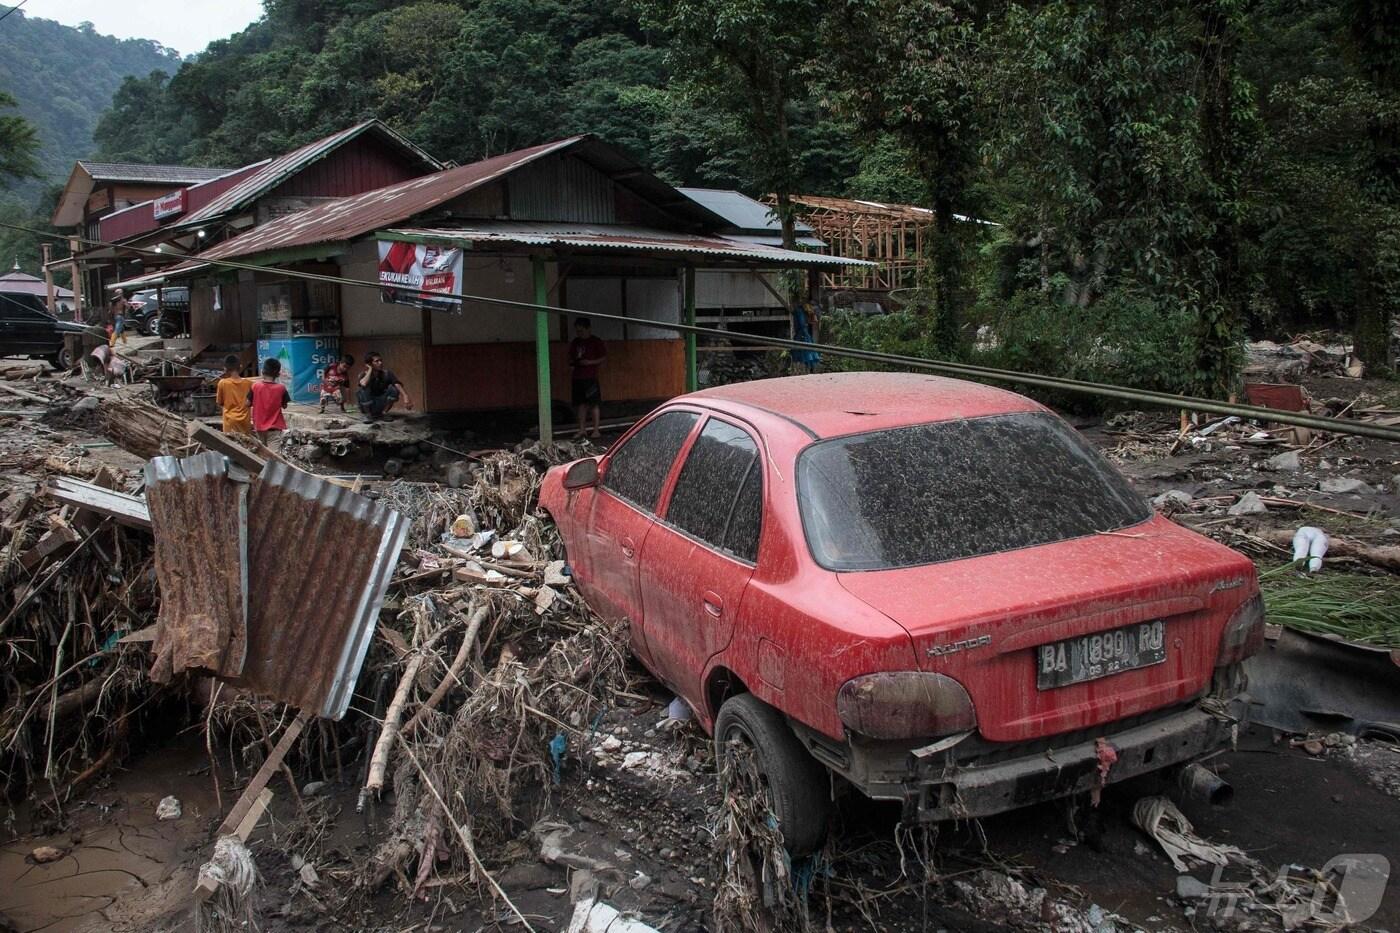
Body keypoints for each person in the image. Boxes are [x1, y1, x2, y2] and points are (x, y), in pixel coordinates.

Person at [569, 317, 606, 439]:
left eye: (581, 331)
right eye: (577, 331)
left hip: (590, 377)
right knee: (581, 404)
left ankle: (596, 430)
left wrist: (590, 362)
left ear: (588, 329)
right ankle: (582, 429)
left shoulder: (596, 341)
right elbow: (571, 359)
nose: (579, 333)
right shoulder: (575, 342)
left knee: (594, 404)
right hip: (577, 377)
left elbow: (603, 358)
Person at [357, 351, 413, 420]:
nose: (380, 363)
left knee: (394, 389)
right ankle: (368, 415)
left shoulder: (386, 373)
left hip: (380, 403)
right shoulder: (363, 375)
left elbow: (397, 383)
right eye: (376, 361)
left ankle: (384, 413)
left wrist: (405, 396)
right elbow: (363, 383)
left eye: (380, 360)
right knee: (363, 390)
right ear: (370, 364)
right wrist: (370, 369)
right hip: (367, 406)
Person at [248, 357, 290, 446]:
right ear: (278, 374)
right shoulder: (281, 388)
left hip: (259, 427)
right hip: (275, 428)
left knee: (262, 454)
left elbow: (247, 403)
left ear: (263, 371)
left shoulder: (255, 386)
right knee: (274, 456)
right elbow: (285, 406)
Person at [215, 355, 254, 435]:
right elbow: (251, 402)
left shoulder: (222, 383)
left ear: (225, 368)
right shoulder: (249, 383)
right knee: (246, 446)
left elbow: (219, 403)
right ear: (240, 366)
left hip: (229, 423)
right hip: (245, 422)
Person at [791, 300, 820, 375]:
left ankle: (805, 370)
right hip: (802, 333)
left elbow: (813, 321)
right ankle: (803, 370)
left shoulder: (804, 311)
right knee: (805, 352)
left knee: (805, 352)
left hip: (802, 332)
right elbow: (802, 324)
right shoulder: (800, 311)